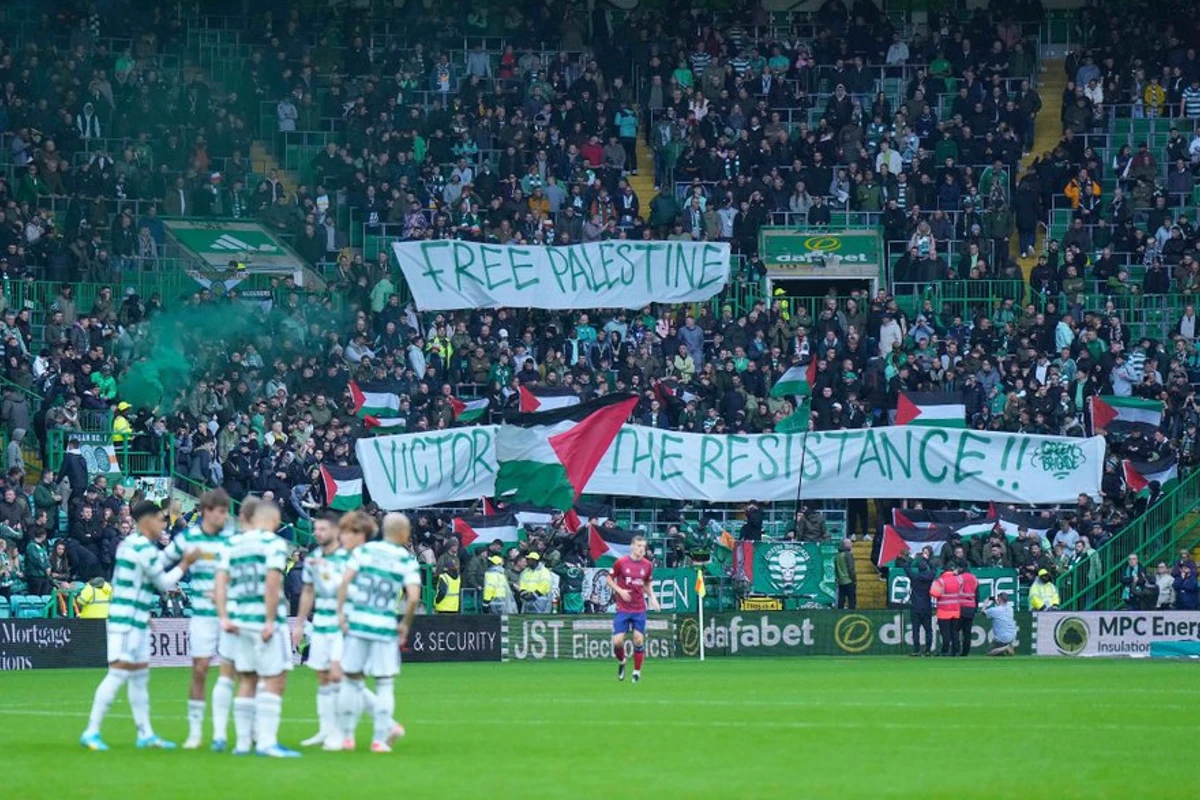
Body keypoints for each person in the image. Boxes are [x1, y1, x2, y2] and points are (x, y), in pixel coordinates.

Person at [80, 501, 199, 751]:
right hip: (126, 621)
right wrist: (186, 563)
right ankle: (91, 730)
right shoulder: (140, 548)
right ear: (147, 521)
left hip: (136, 619)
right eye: (160, 520)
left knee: (139, 678)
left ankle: (145, 733)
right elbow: (164, 582)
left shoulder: (135, 545)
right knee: (118, 673)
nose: (163, 525)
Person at [214, 500, 299, 758]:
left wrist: (224, 616)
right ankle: (266, 742)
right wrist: (271, 620)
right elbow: (273, 583)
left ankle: (241, 744)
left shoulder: (231, 544)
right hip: (262, 619)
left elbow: (220, 581)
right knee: (274, 679)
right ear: (273, 521)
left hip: (239, 620)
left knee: (247, 678)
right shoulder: (273, 543)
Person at [335, 511, 420, 754]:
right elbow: (413, 598)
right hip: (383, 626)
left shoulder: (364, 551)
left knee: (351, 681)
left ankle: (347, 737)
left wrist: (341, 613)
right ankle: (379, 740)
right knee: (384, 683)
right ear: (405, 534)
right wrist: (404, 623)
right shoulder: (406, 560)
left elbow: (345, 581)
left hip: (359, 622)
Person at [159, 488, 234, 750]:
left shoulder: (232, 540)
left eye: (226, 512)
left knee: (228, 671)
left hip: (229, 615)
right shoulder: (188, 538)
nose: (223, 517)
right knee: (200, 670)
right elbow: (160, 561)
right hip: (202, 615)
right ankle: (194, 732)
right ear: (205, 512)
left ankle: (220, 734)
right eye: (219, 512)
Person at [292, 510, 350, 749]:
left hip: (342, 626)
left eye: (323, 528)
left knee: (337, 675)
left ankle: (340, 732)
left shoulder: (347, 558)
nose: (317, 532)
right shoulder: (314, 557)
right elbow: (308, 591)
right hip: (322, 625)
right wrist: (298, 624)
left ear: (336, 531)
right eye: (316, 528)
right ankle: (325, 730)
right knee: (323, 676)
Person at [606, 534, 661, 683]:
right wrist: (620, 591)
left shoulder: (647, 565)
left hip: (638, 608)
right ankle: (622, 661)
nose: (641, 549)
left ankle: (637, 671)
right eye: (639, 546)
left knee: (638, 639)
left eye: (644, 547)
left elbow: (647, 584)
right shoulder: (621, 563)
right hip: (623, 608)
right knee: (617, 641)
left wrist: (653, 598)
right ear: (632, 546)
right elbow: (609, 579)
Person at [901, 546, 936, 656]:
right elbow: (934, 569)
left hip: (915, 606)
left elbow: (906, 567)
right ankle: (928, 650)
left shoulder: (914, 577)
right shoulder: (930, 577)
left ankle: (916, 650)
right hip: (926, 605)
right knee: (928, 630)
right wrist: (927, 559)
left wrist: (912, 558)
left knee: (915, 630)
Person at [930, 565, 961, 656]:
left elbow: (934, 593)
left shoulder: (940, 581)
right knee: (955, 632)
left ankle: (945, 650)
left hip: (944, 611)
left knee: (945, 633)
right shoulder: (958, 580)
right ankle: (956, 650)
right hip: (956, 611)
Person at [834, 537, 856, 609]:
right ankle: (852, 614)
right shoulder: (848, 554)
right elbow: (851, 569)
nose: (851, 545)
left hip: (841, 581)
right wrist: (854, 579)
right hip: (848, 580)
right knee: (851, 599)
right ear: (846, 545)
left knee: (841, 599)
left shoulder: (837, 555)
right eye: (850, 543)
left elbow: (836, 569)